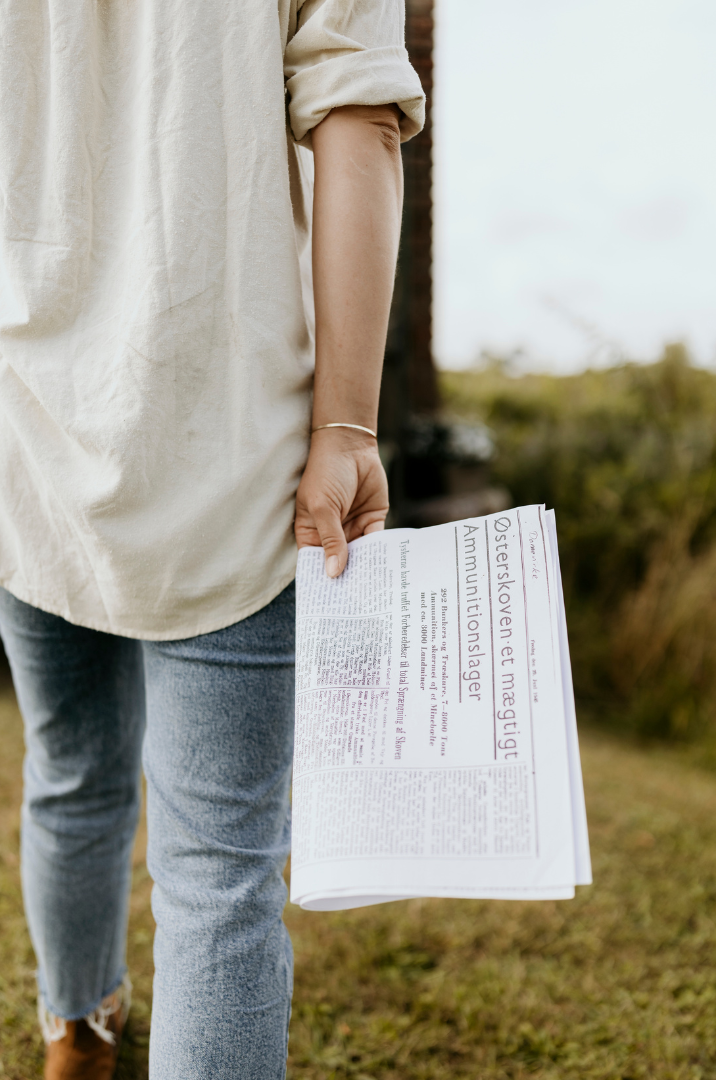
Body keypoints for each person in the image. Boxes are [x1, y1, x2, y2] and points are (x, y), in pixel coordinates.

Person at [0, 1, 424, 1077]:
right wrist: (344, 426)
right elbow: (358, 119)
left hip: (26, 436)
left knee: (72, 771)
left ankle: (76, 1038)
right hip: (228, 447)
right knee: (218, 873)